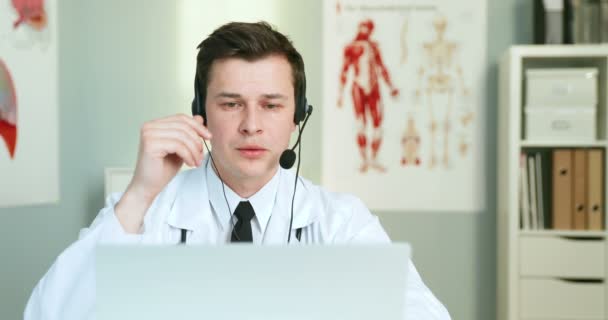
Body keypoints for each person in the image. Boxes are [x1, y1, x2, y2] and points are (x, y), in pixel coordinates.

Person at [24, 21, 450, 319]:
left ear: (297, 116)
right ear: (200, 112)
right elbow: (49, 313)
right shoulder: (146, 214)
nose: (251, 124)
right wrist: (138, 195)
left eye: (271, 104)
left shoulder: (340, 222)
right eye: (231, 104)